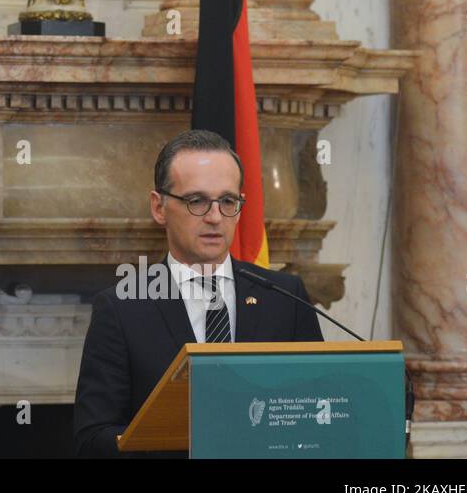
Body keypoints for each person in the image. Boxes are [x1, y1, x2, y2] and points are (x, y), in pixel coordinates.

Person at [73, 129, 324, 457]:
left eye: (228, 201)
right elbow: (92, 440)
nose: (215, 217)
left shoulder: (284, 296)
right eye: (197, 201)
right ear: (159, 207)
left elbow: (317, 408)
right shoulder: (121, 308)